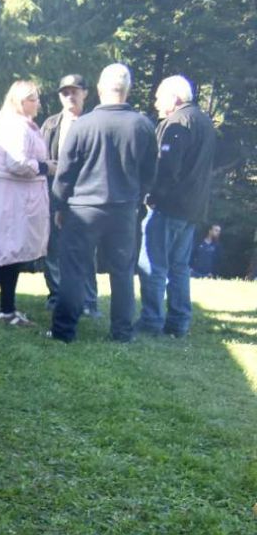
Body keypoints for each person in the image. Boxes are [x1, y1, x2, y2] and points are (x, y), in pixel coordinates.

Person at [48, 63, 156, 343]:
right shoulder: (144, 126)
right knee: (122, 272)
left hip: (83, 209)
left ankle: (63, 332)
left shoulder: (83, 125)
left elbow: (65, 173)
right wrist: (137, 199)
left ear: (98, 90)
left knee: (74, 270)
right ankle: (121, 333)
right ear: (128, 89)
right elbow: (149, 173)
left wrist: (58, 206)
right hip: (123, 210)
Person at [137, 75, 217, 338]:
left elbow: (168, 166)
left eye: (160, 96)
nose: (156, 101)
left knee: (153, 264)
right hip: (193, 207)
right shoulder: (204, 121)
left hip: (169, 205)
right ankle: (179, 323)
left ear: (175, 98)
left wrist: (152, 196)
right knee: (179, 266)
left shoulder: (177, 122)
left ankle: (151, 322)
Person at [0, 80, 49, 327]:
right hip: (13, 196)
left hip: (5, 194)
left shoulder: (6, 122)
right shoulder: (17, 126)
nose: (38, 103)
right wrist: (46, 167)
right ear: (21, 101)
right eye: (34, 99)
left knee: (0, 248)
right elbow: (16, 163)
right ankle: (7, 309)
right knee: (11, 249)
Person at [39, 74, 99, 317]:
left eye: (75, 91)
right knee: (52, 249)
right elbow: (39, 158)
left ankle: (88, 301)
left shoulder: (95, 122)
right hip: (54, 195)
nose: (70, 96)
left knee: (86, 250)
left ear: (85, 93)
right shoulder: (51, 124)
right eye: (65, 92)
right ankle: (56, 295)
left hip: (86, 196)